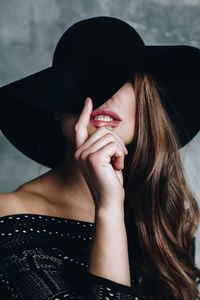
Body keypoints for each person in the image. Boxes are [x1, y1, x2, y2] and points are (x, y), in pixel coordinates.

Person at [0, 16, 200, 300]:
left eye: (123, 79)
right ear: (55, 104)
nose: (105, 95)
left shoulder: (164, 219)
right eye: (87, 80)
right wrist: (107, 208)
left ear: (144, 100)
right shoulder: (10, 218)